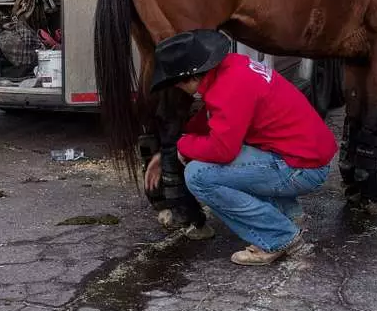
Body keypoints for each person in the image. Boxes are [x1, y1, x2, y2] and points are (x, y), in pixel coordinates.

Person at [144, 30, 337, 266]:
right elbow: (215, 119)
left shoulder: (228, 89)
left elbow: (223, 150)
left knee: (199, 176)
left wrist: (181, 147)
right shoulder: (232, 66)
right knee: (233, 162)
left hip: (302, 168)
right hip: (304, 155)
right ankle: (289, 217)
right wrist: (171, 148)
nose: (176, 90)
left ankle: (278, 238)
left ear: (189, 79)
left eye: (175, 84)